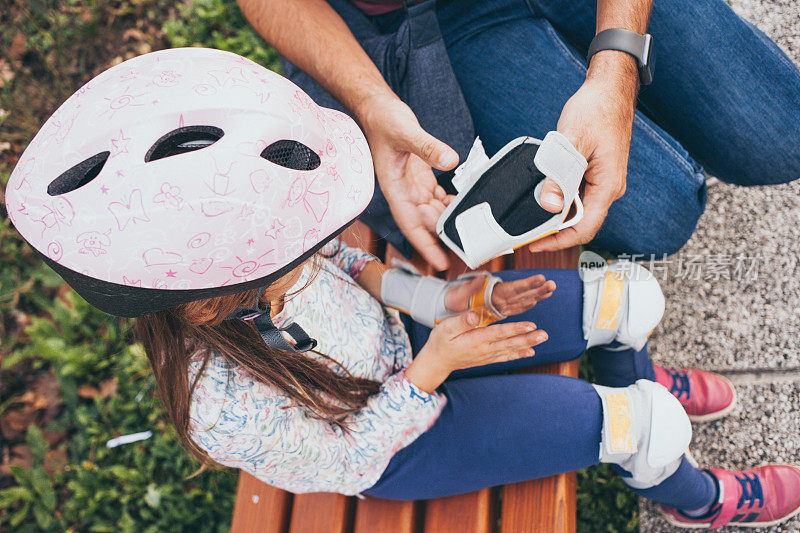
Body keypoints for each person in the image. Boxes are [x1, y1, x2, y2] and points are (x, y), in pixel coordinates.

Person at [7, 48, 800, 529]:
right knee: (646, 425)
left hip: (417, 344)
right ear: (214, 302)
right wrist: (435, 365)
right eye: (300, 250)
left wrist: (437, 304)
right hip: (402, 441)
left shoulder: (269, 261)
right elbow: (350, 461)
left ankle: (633, 366)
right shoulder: (220, 404)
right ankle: (692, 495)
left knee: (632, 298)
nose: (320, 248)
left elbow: (350, 265)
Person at [236, 0, 800, 270]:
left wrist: (616, 67)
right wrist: (372, 99)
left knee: (779, 138)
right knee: (660, 216)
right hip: (430, 24)